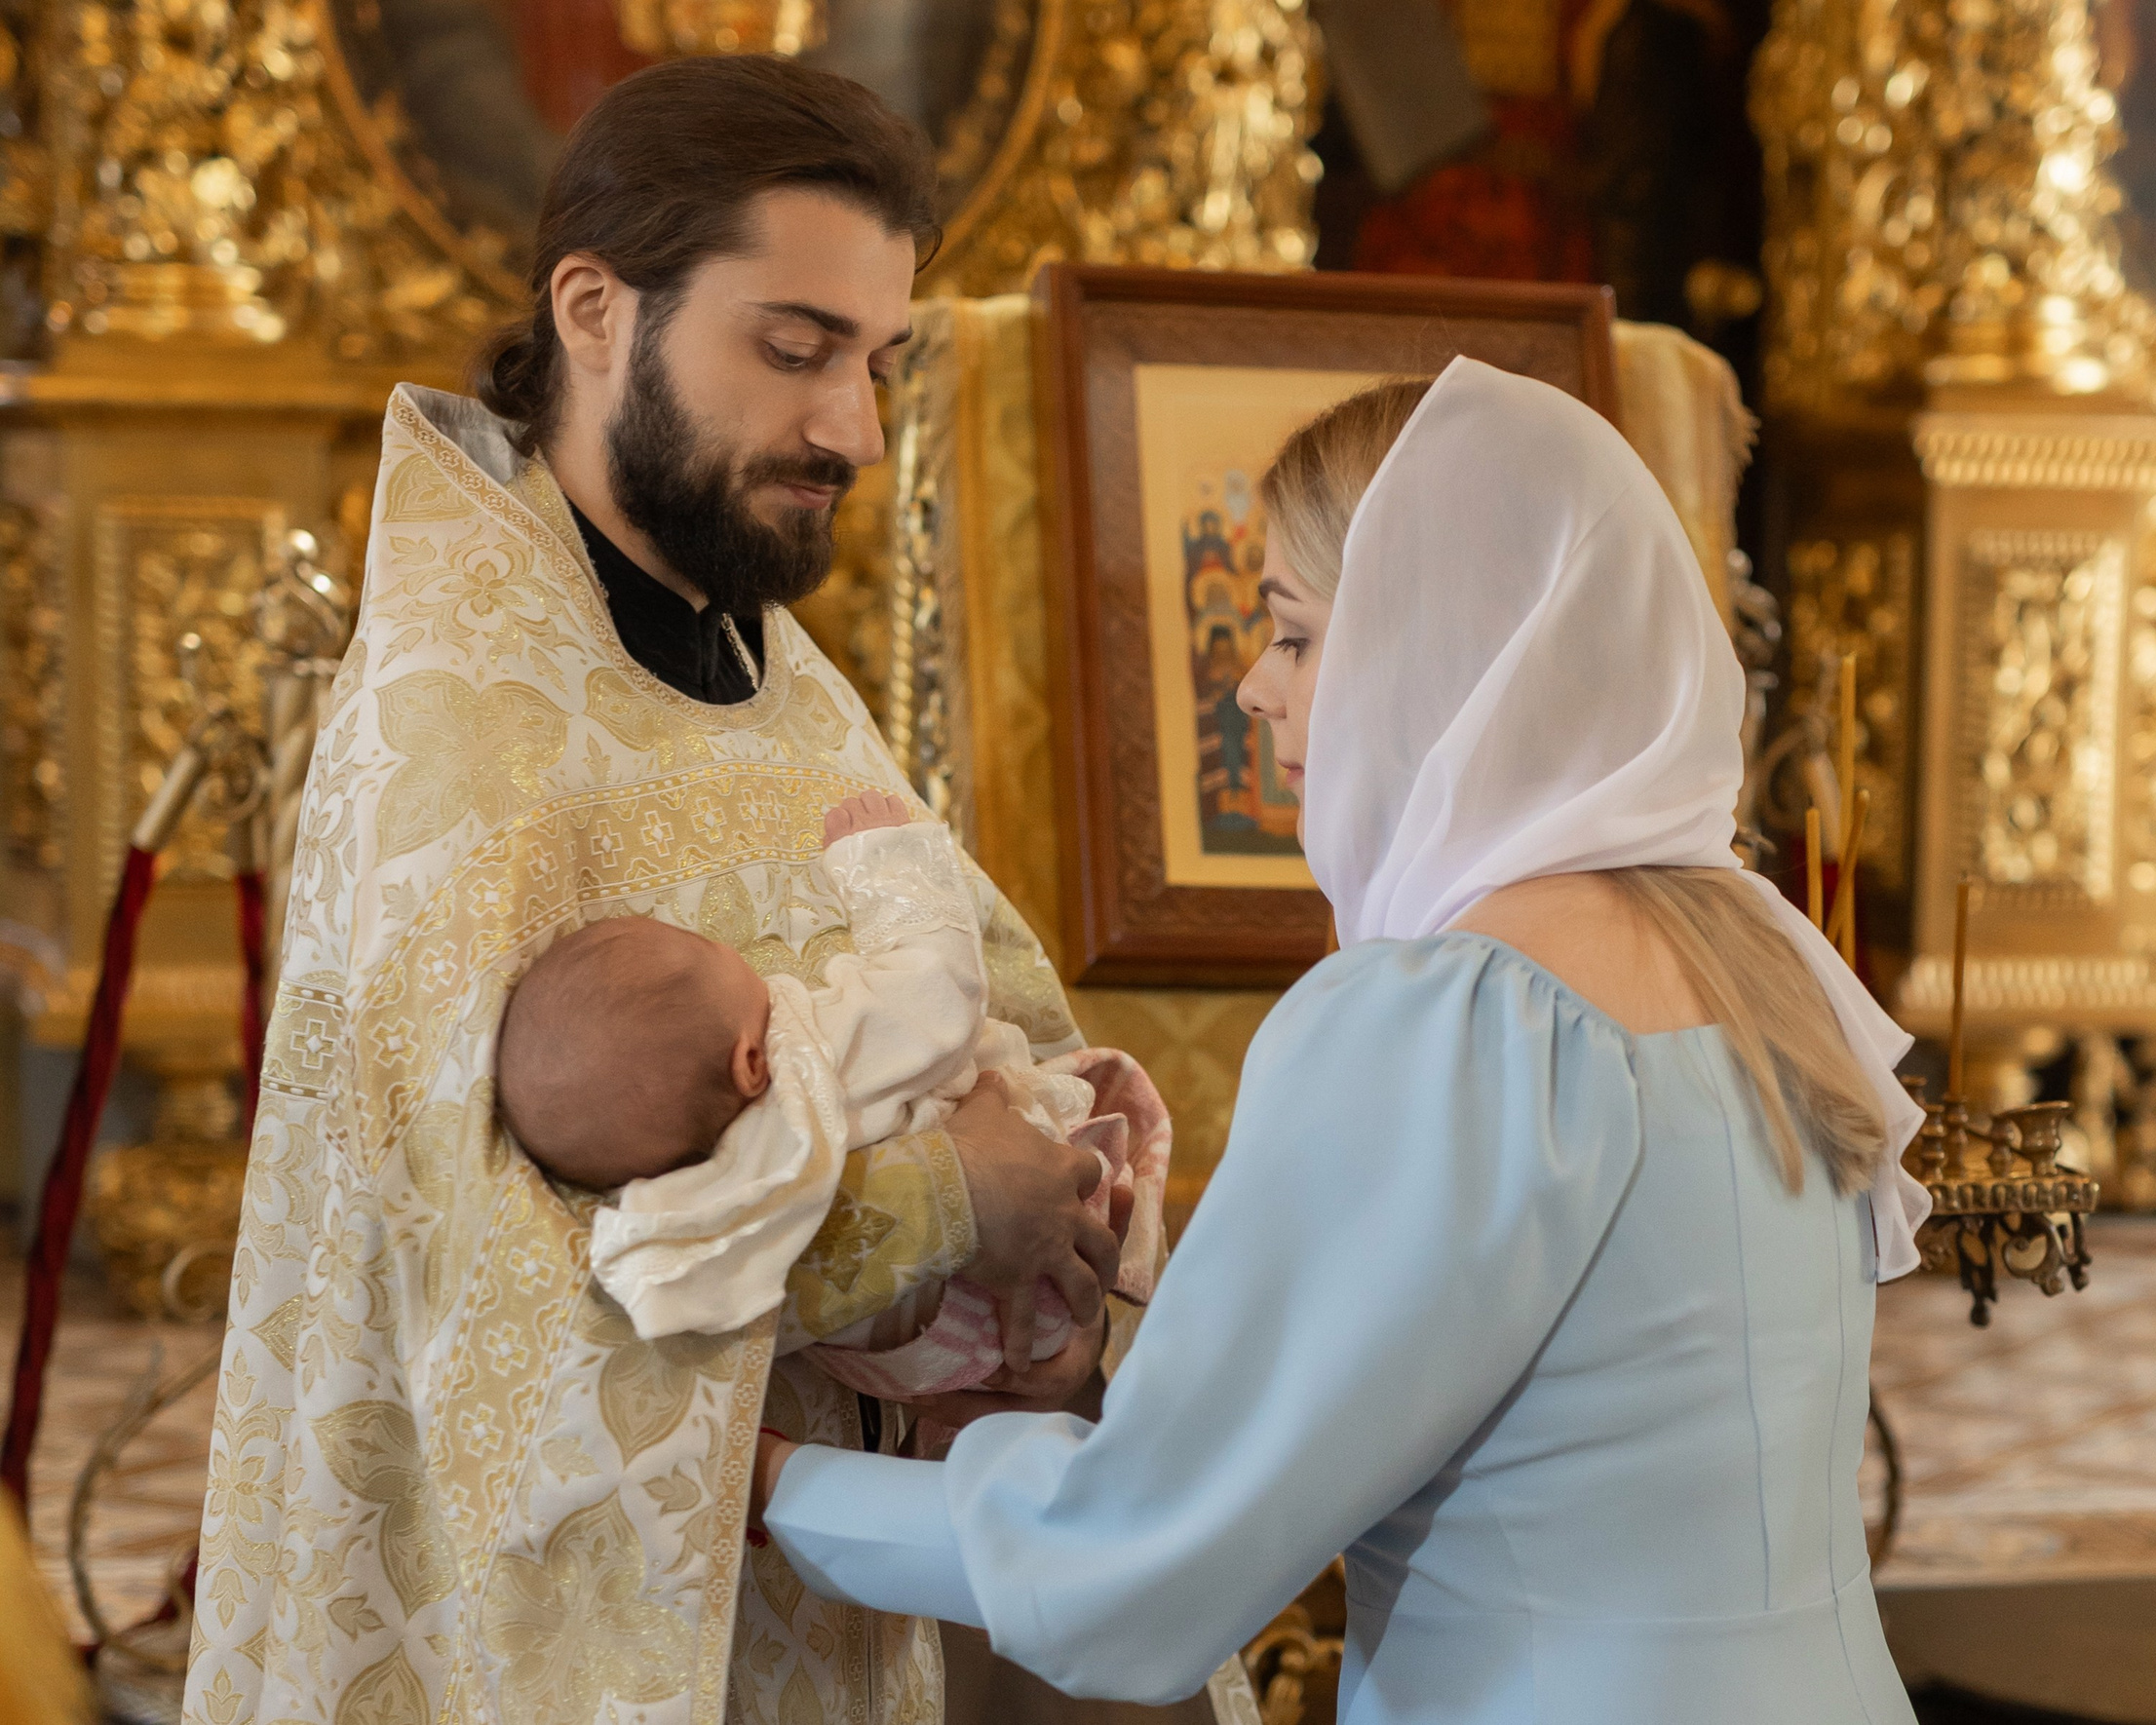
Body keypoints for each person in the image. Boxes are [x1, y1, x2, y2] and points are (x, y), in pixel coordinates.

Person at [751, 360, 1932, 1722]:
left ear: (1453, 654)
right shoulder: (1767, 956)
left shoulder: (1454, 1020)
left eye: (1298, 635)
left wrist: (776, 1481)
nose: (1258, 687)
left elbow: (1135, 1570)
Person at [185, 59, 1135, 1725]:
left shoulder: (780, 681)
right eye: (793, 350)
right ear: (597, 310)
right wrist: (945, 1208)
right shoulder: (452, 732)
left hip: (838, 1615)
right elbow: (477, 1318)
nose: (851, 426)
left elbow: (1002, 1029)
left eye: (879, 365)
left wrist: (1062, 1221)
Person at [493, 788, 1166, 1391]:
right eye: (721, 956)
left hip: (906, 1362)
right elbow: (938, 993)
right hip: (1020, 1282)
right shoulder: (809, 1051)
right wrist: (884, 862)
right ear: (751, 1060)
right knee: (1110, 1103)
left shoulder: (688, 1195)